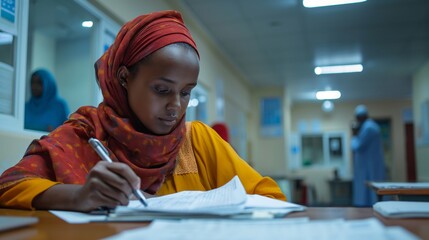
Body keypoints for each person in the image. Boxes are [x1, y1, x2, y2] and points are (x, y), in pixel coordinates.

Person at [0, 10, 285, 212]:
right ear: (124, 78)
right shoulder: (85, 133)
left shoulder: (197, 141)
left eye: (186, 92)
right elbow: (9, 186)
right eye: (162, 90)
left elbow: (271, 199)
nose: (176, 106)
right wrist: (78, 196)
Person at [351, 104, 386, 207]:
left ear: (362, 116)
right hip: (369, 166)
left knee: (369, 195)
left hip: (369, 168)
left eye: (358, 118)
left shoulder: (369, 128)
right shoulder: (370, 127)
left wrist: (354, 136)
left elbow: (357, 146)